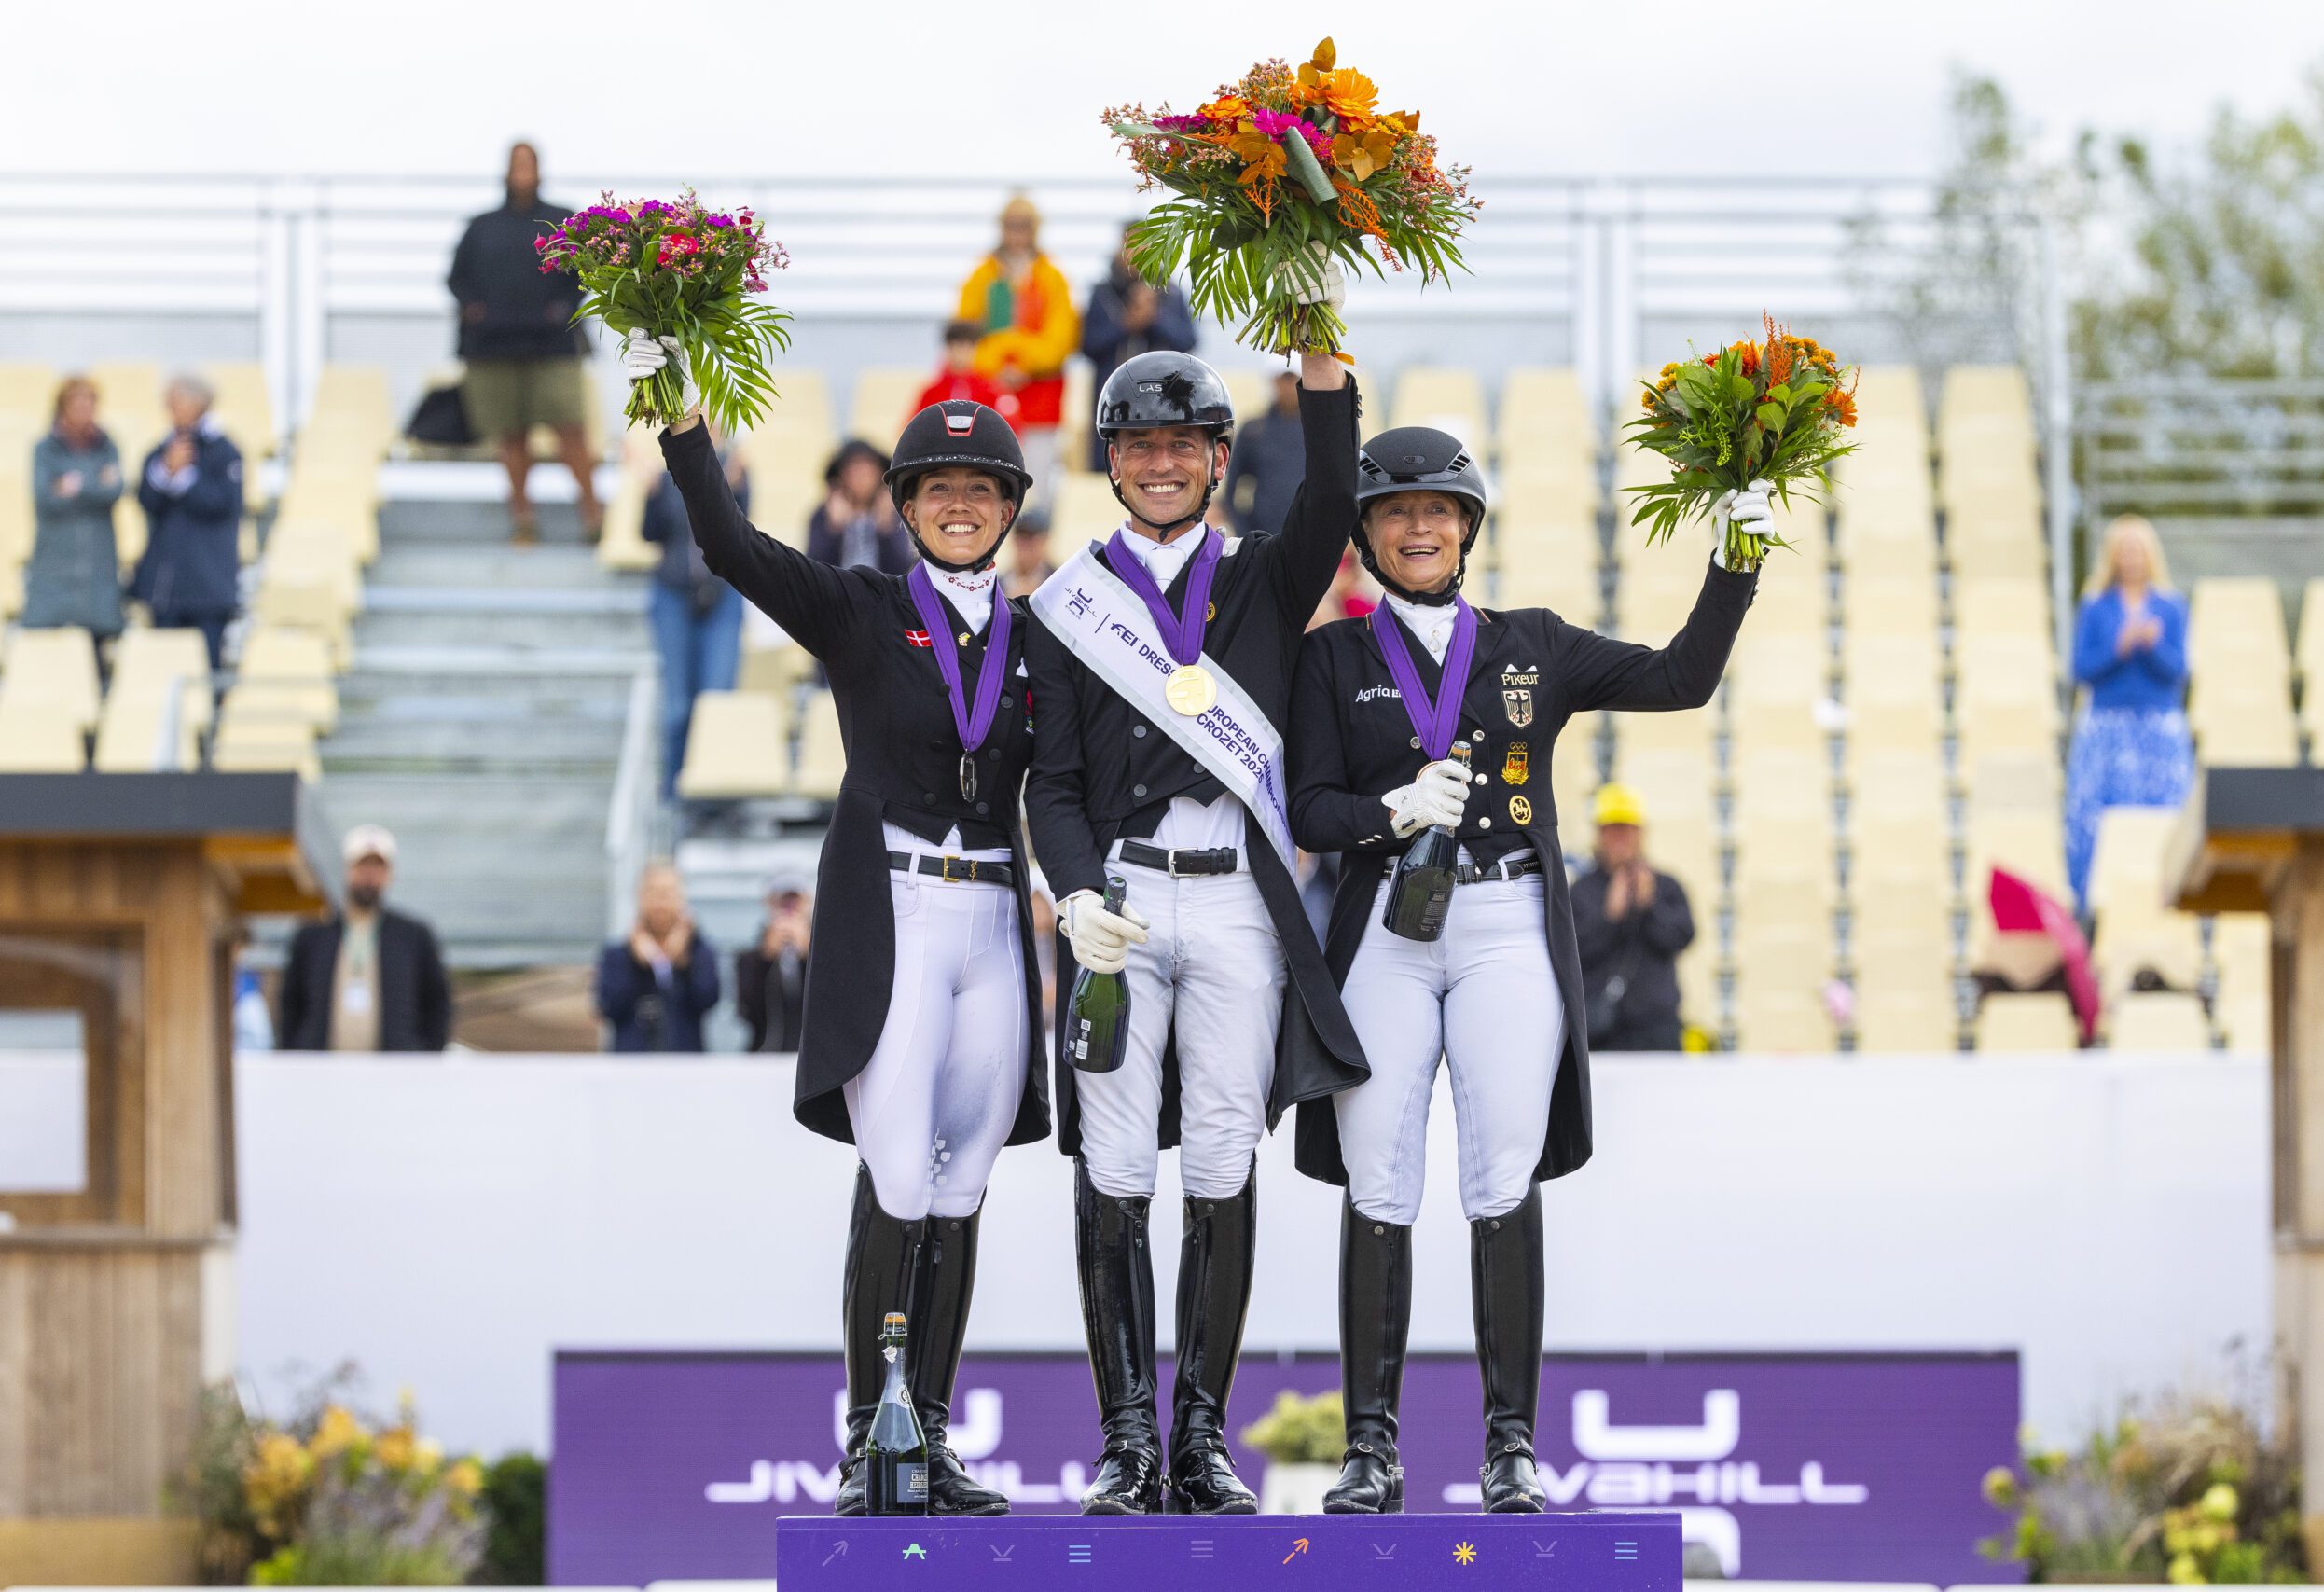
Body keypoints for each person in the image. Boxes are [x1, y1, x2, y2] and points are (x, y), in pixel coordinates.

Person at [1285, 427, 1764, 1515]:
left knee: (1502, 1174)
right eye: (1397, 512)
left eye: (1438, 510)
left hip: (1504, 920)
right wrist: (1389, 811)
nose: (1418, 527)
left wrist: (1736, 559)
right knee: (1381, 1177)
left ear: (1467, 529)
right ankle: (1372, 1447)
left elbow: (1681, 680)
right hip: (1387, 928)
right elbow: (1308, 811)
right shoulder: (1330, 658)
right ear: (1366, 534)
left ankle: (1509, 1447)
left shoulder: (1531, 643)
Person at [627, 327, 1048, 1518]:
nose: (960, 507)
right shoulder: (864, 608)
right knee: (894, 1171)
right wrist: (680, 414)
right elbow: (727, 544)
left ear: (1009, 506)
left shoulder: (1044, 635)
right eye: (938, 489)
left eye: (980, 489)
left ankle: (936, 1434)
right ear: (907, 506)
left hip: (994, 924)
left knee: (963, 1180)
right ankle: (872, 1430)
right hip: (902, 910)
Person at [1022, 257, 1367, 1516]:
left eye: (1185, 443)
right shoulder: (1070, 605)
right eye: (1140, 444)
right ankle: (1125, 1437)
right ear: (1111, 459)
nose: (1162, 462)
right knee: (1114, 1159)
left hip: (1234, 894)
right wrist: (1069, 892)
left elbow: (1336, 481)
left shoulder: (1269, 575)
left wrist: (1317, 338)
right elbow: (1049, 782)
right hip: (1117, 896)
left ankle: (1202, 1435)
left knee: (1222, 1153)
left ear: (1221, 456)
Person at [447, 141, 600, 546]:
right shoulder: (481, 227)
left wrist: (562, 309)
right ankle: (523, 520)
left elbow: (583, 273)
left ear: (539, 169)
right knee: (511, 436)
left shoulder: (561, 221)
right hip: (493, 348)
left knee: (571, 431)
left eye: (528, 164)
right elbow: (456, 279)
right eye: (516, 165)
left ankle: (593, 514)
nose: (522, 172)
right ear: (506, 171)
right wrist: (473, 310)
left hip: (553, 346)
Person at [2066, 514, 2193, 906]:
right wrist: (2119, 647)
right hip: (2107, 728)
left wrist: (2152, 645)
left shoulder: (2170, 607)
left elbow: (2178, 671)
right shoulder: (2096, 607)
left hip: (2157, 730)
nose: (2132, 557)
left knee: (2160, 822)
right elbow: (2081, 670)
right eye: (2125, 550)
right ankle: (2097, 905)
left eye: (2138, 549)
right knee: (2101, 824)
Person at [276, 824, 452, 1052]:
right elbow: (291, 1003)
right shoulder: (314, 933)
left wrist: (421, 1056)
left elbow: (437, 1003)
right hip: (321, 1069)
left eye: (378, 867)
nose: (369, 875)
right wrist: (295, 1052)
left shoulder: (413, 936)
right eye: (362, 866)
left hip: (393, 1072)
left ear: (389, 874)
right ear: (347, 869)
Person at [956, 194, 1079, 503]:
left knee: (1037, 483)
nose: (1017, 233)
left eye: (1024, 226)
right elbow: (963, 335)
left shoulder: (1052, 276)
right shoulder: (982, 275)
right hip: (990, 393)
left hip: (1040, 396)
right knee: (988, 479)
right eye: (1011, 225)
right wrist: (996, 365)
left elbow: (1062, 339)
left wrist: (1023, 363)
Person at [643, 435, 748, 798]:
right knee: (676, 707)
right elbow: (649, 533)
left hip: (722, 595)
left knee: (716, 701)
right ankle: (673, 796)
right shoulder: (664, 475)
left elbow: (744, 538)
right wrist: (653, 494)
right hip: (673, 592)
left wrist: (733, 492)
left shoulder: (735, 472)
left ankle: (712, 800)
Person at [1569, 783, 1696, 1052]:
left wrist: (1650, 906)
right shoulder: (1581, 891)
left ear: (1640, 834)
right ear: (1599, 835)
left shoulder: (1666, 885)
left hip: (1657, 1027)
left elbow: (1682, 937)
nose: (1620, 839)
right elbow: (1572, 951)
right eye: (1612, 831)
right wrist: (1609, 918)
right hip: (1600, 1028)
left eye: (1626, 831)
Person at [132, 374, 244, 671]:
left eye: (176, 402)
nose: (169, 408)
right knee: (165, 670)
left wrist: (182, 478)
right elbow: (145, 499)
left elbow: (220, 503)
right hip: (166, 586)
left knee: (204, 671)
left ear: (199, 404)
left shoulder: (224, 452)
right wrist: (165, 472)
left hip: (208, 585)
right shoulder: (162, 449)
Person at [1079, 221, 1197, 470]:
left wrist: (1154, 319)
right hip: (1113, 401)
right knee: (1110, 466)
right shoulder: (1103, 292)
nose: (1135, 252)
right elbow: (1088, 345)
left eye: (1142, 244)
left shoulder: (1170, 292)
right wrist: (1126, 324)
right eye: (1130, 245)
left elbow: (1187, 341)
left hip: (1163, 402)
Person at [25, 376, 126, 659]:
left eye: (90, 403)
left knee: (95, 650)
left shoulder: (107, 446)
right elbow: (46, 499)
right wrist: (95, 482)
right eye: (77, 403)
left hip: (96, 567)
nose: (84, 410)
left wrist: (74, 484)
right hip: (55, 565)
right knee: (49, 653)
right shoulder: (45, 449)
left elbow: (114, 490)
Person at [595, 861, 721, 1051]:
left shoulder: (699, 951)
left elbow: (707, 999)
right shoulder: (617, 955)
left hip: (686, 1063)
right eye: (653, 892)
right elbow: (609, 1006)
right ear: (640, 897)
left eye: (668, 893)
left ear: (681, 899)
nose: (660, 902)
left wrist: (684, 962)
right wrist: (636, 963)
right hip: (630, 1066)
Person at [806, 439, 914, 575]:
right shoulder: (824, 513)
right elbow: (813, 569)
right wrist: (834, 530)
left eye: (868, 471)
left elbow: (903, 569)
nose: (862, 479)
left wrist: (886, 529)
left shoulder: (894, 512)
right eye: (854, 472)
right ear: (841, 476)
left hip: (881, 592)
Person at [1224, 368, 1307, 535]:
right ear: (1274, 381)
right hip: (1265, 534)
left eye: (1294, 380)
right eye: (1284, 380)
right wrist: (1244, 529)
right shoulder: (1254, 430)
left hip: (1311, 532)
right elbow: (1233, 483)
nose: (1289, 387)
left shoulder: (1320, 430)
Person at [735, 876, 811, 1052]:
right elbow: (747, 1012)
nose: (789, 912)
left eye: (794, 903)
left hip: (811, 1056)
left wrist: (809, 955)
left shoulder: (824, 958)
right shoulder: (749, 959)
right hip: (764, 1052)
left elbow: (829, 1006)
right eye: (782, 903)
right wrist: (766, 959)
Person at [914, 320, 1019, 430]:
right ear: (947, 349)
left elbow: (1008, 430)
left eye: (966, 348)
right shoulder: (932, 392)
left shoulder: (992, 390)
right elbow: (915, 429)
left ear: (976, 349)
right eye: (955, 347)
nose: (960, 355)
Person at [999, 506, 1055, 601]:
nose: (1024, 544)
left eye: (1030, 537)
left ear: (1045, 540)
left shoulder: (1059, 582)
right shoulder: (996, 583)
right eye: (1020, 536)